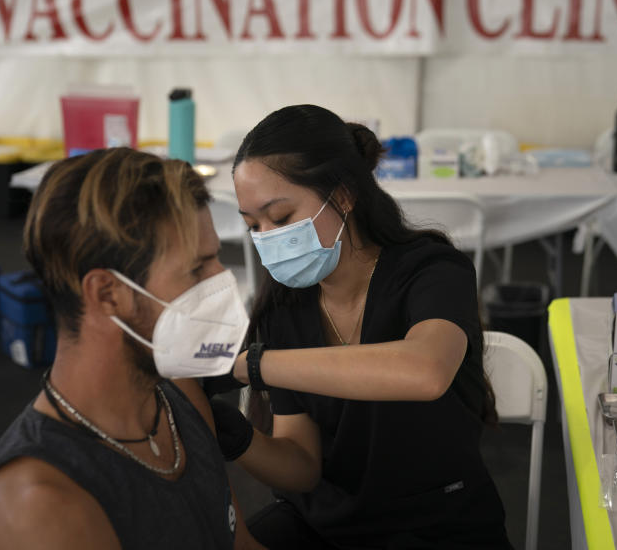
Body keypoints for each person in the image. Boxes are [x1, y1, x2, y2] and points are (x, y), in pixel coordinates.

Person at [211, 104, 513, 549]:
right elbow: (303, 466)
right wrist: (237, 436)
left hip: (436, 524)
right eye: (252, 225)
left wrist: (252, 367)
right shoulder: (285, 305)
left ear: (345, 195)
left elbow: (425, 371)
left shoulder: (432, 272)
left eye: (281, 218)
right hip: (328, 525)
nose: (267, 239)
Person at [0, 148, 262, 550]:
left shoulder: (180, 396)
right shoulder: (37, 507)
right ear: (107, 294)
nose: (222, 282)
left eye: (216, 261)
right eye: (197, 268)